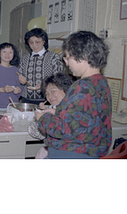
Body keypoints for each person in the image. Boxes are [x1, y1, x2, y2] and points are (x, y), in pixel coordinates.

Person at [35, 30, 112, 159]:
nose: (66, 62)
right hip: (92, 151)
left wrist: (42, 118)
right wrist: (56, 112)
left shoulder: (82, 86)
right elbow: (85, 118)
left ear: (84, 56)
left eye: (67, 57)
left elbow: (64, 130)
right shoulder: (101, 82)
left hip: (72, 153)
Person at [28, 73, 74, 158]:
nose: (50, 96)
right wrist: (39, 116)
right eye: (47, 93)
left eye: (53, 91)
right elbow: (36, 133)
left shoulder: (72, 108)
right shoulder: (51, 109)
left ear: (66, 89)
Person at [18, 28, 64, 105]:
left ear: (44, 41)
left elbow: (58, 77)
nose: (34, 45)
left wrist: (44, 84)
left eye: (37, 42)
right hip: (27, 98)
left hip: (47, 99)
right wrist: (21, 81)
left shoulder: (53, 56)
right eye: (31, 42)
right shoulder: (25, 58)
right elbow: (20, 75)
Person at [0, 42, 23, 110]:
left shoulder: (15, 69)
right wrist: (3, 89)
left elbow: (20, 88)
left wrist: (18, 90)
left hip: (14, 107)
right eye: (4, 51)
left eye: (10, 52)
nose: (7, 54)